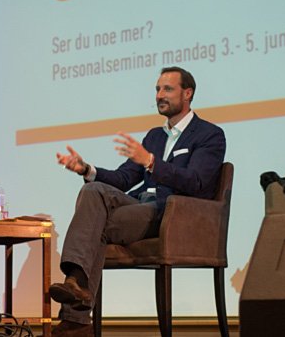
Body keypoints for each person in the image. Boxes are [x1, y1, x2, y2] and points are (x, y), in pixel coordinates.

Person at [50, 66, 226, 337]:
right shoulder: (154, 136)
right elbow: (123, 179)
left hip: (172, 213)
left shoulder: (209, 135)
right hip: (140, 205)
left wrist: (152, 162)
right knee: (93, 190)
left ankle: (76, 318)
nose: (159, 95)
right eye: (157, 89)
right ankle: (76, 288)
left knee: (95, 225)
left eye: (167, 89)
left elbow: (197, 182)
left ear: (187, 93)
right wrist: (86, 169)